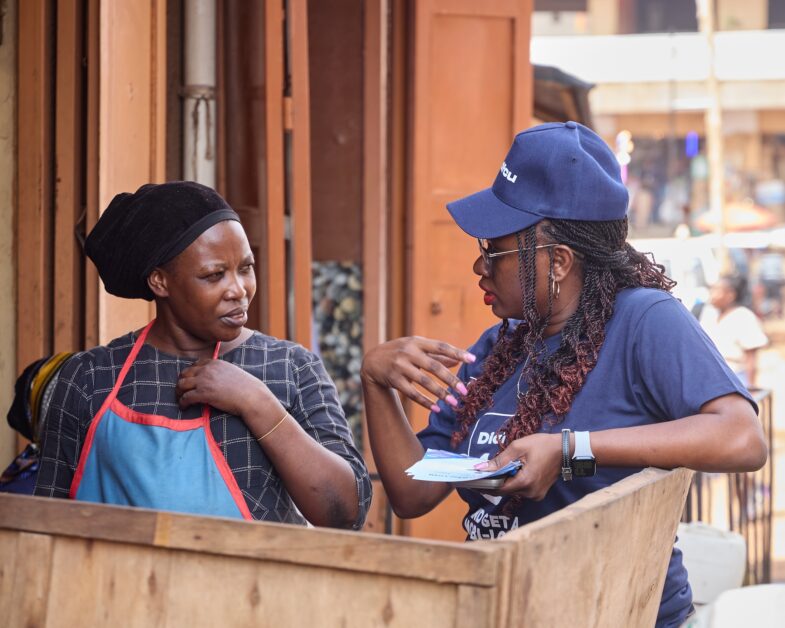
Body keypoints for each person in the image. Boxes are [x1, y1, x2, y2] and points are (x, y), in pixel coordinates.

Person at [361, 122, 767, 628]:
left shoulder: (644, 320)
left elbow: (742, 437)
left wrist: (570, 450)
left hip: (623, 613)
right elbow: (412, 494)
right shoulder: (500, 347)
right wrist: (376, 385)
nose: (479, 267)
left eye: (495, 252)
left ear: (557, 261)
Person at [35, 181, 371, 529]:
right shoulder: (90, 378)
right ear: (160, 282)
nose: (239, 290)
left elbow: (346, 514)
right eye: (214, 275)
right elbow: (44, 523)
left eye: (245, 268)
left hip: (254, 585)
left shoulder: (289, 367)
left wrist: (256, 403)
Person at [699, 275, 769, 388]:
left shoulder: (744, 316)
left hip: (734, 378)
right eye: (711, 289)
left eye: (717, 290)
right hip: (708, 376)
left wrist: (750, 386)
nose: (712, 294)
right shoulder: (709, 314)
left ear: (730, 295)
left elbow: (751, 357)